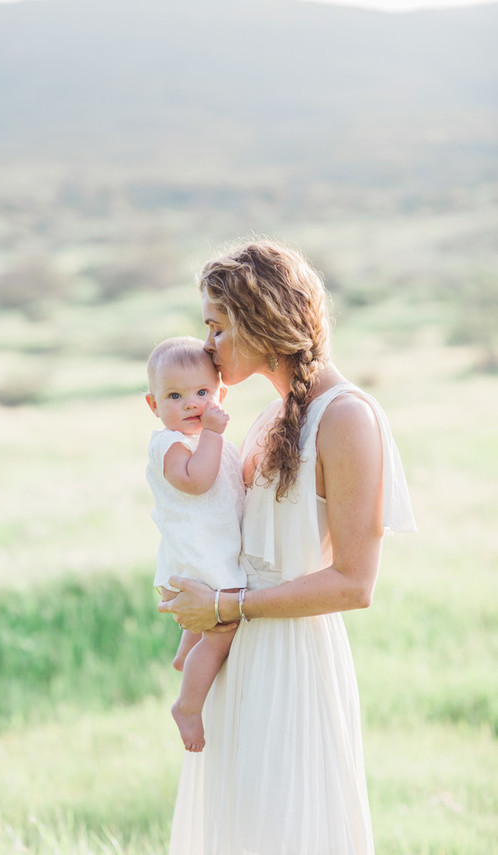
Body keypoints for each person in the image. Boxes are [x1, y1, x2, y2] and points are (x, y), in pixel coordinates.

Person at [158, 241, 416, 855]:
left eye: (217, 328)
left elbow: (355, 583)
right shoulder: (267, 418)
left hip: (294, 660)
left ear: (258, 316)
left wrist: (225, 605)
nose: (208, 348)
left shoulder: (346, 416)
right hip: (239, 655)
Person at [145, 336, 246, 752]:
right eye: (175, 395)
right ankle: (188, 706)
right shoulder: (169, 445)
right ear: (153, 405)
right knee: (223, 629)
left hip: (208, 553)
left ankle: (187, 657)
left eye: (202, 392)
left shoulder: (214, 443)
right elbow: (196, 480)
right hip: (195, 562)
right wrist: (213, 432)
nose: (191, 404)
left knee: (207, 630)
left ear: (220, 394)